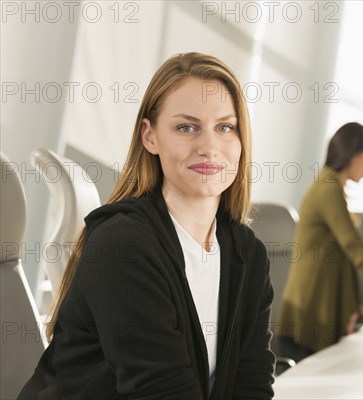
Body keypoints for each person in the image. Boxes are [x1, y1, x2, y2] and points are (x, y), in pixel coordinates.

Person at [19, 53, 275, 399]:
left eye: (225, 127)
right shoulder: (123, 245)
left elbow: (252, 384)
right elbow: (163, 392)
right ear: (149, 136)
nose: (209, 147)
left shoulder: (247, 254)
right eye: (187, 127)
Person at [275, 122, 363, 362]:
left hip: (319, 318)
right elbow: (359, 253)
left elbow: (341, 259)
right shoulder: (327, 187)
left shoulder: (332, 187)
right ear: (354, 155)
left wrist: (353, 306)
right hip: (308, 321)